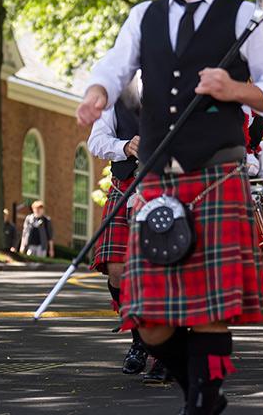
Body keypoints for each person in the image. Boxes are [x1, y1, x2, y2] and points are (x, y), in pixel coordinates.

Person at [76, 0, 263, 414]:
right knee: (149, 319)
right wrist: (95, 94)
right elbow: (113, 67)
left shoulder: (244, 16)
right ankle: (199, 391)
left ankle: (202, 401)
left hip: (216, 173)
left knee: (212, 310)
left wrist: (236, 87)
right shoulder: (144, 16)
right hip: (156, 177)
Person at [87, 76, 169, 384]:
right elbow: (96, 141)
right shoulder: (116, 92)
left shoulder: (183, 84)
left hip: (168, 188)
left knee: (162, 272)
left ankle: (165, 351)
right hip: (125, 187)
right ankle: (139, 339)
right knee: (117, 270)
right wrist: (124, 146)